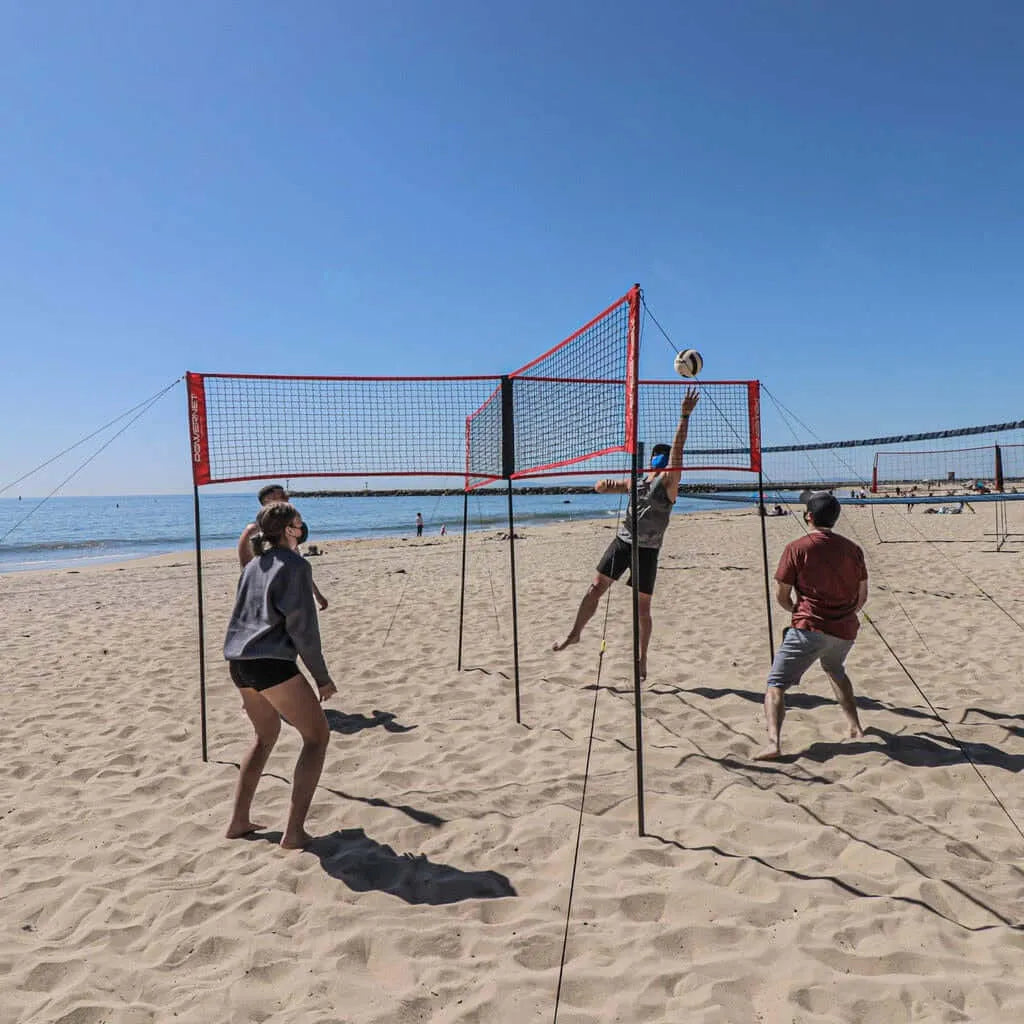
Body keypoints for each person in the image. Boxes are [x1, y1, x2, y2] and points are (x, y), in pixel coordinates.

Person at [553, 387, 700, 680]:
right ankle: (574, 634)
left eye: (664, 457)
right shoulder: (637, 482)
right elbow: (604, 486)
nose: (661, 460)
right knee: (595, 587)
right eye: (658, 457)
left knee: (642, 609)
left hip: (648, 549)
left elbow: (678, 450)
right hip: (623, 542)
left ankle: (642, 659)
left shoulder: (669, 482)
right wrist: (602, 485)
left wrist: (684, 415)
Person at [224, 501, 338, 848]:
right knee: (317, 737)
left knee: (265, 737)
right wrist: (321, 678)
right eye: (300, 523)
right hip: (270, 663)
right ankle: (294, 832)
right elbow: (304, 631)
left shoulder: (253, 565)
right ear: (290, 530)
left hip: (238, 661)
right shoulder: (296, 566)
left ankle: (238, 821)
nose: (303, 528)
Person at [755, 492, 868, 760]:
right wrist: (844, 614)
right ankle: (855, 727)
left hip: (810, 628)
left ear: (808, 516)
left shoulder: (797, 548)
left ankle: (773, 742)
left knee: (776, 684)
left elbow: (781, 595)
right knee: (835, 670)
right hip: (845, 630)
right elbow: (862, 596)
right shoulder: (853, 549)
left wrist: (797, 612)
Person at [238, 484, 328, 610]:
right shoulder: (252, 531)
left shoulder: (286, 531)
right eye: (282, 495)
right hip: (266, 599)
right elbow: (247, 572)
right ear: (267, 501)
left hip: (291, 597)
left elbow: (300, 565)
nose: (287, 497)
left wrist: (317, 595)